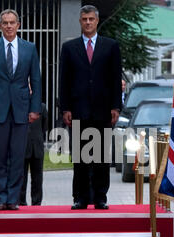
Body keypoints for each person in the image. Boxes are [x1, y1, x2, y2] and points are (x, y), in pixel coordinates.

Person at [59, 5, 122, 210]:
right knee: (81, 157)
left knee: (101, 157)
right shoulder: (69, 48)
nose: (87, 22)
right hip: (78, 109)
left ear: (97, 21)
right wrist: (65, 108)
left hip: (104, 109)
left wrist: (116, 106)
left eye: (91, 19)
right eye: (84, 19)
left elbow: (115, 78)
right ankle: (81, 197)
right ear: (80, 21)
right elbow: (64, 80)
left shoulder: (110, 46)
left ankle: (101, 197)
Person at [0, 9, 42, 211]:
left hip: (22, 109)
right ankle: (0, 197)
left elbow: (36, 80)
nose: (8, 26)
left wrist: (35, 108)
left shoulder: (29, 48)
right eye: (4, 23)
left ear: (18, 25)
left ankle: (13, 198)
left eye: (12, 22)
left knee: (17, 156)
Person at [19, 103, 48, 206]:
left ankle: (36, 203)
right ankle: (21, 202)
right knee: (21, 178)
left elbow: (45, 126)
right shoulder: (19, 104)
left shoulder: (42, 107)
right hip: (22, 146)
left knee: (37, 179)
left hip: (37, 147)